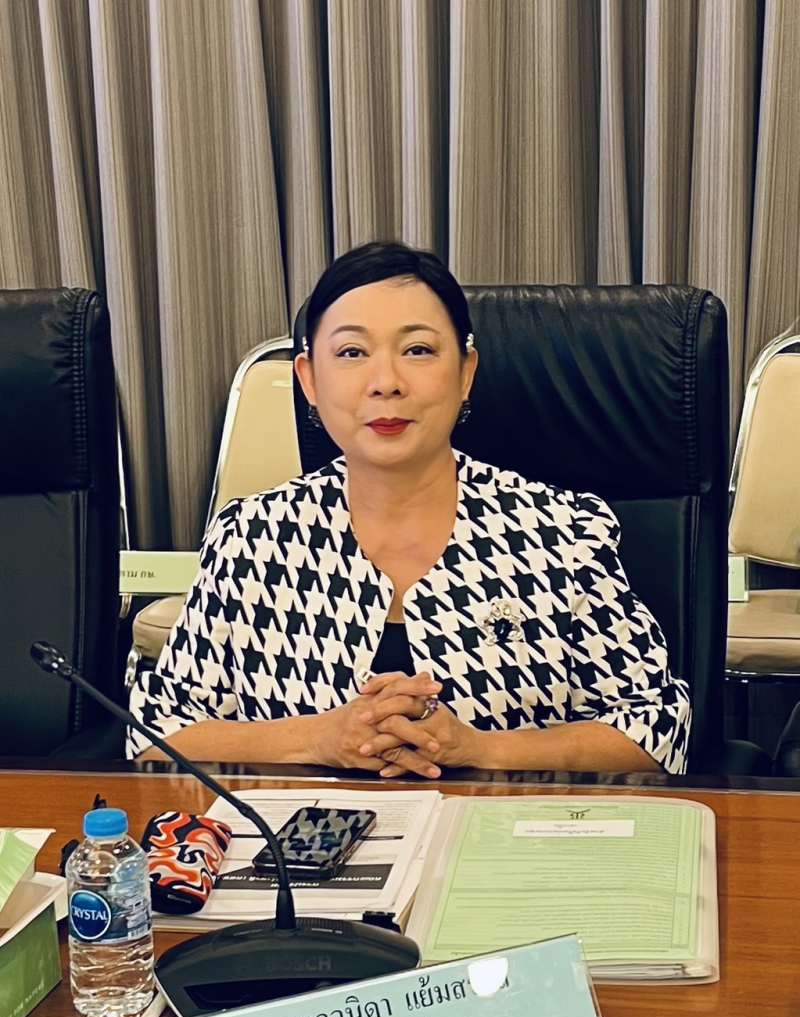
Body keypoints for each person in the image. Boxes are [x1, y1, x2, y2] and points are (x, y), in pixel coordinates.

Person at [128, 241, 691, 777]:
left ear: (466, 372)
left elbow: (657, 729)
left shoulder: (558, 533)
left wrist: (478, 748)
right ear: (309, 380)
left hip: (500, 837)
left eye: (418, 350)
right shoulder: (253, 539)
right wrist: (319, 739)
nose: (386, 383)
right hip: (301, 843)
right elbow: (155, 731)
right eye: (351, 353)